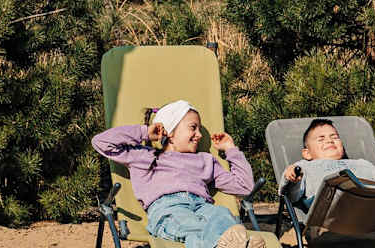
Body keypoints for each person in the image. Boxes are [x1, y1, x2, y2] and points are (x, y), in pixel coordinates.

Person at [92, 100, 265, 248]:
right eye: (193, 128)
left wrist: (231, 149)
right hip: (168, 209)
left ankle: (230, 243)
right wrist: (145, 132)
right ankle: (225, 244)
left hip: (203, 206)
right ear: (170, 131)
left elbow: (244, 187)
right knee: (189, 225)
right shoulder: (145, 156)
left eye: (199, 129)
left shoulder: (205, 161)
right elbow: (101, 142)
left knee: (222, 214)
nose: (199, 135)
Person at [280, 119, 375, 209]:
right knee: (342, 181)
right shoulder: (304, 167)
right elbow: (292, 196)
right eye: (321, 139)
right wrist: (291, 177)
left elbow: (374, 175)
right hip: (329, 204)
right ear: (307, 153)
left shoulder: (358, 163)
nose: (329, 140)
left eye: (335, 137)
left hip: (370, 202)